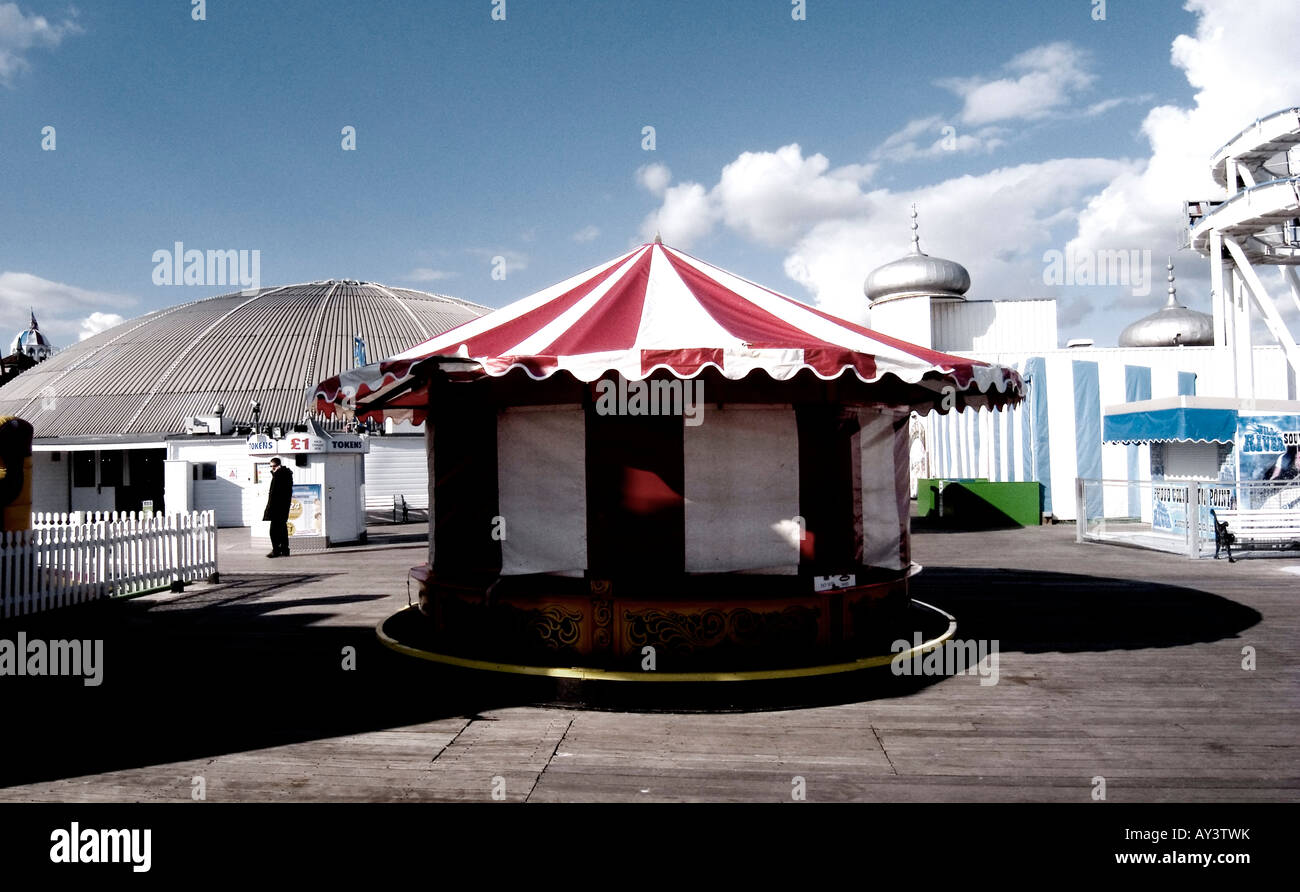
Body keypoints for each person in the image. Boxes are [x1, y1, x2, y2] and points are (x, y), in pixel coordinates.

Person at [263, 457, 294, 557]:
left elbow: (275, 494)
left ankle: (276, 550)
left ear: (278, 465)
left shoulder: (279, 475)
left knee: (273, 531)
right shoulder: (285, 474)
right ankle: (285, 550)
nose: (272, 468)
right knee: (282, 529)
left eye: (274, 466)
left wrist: (270, 508)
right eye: (271, 466)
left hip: (277, 507)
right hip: (283, 507)